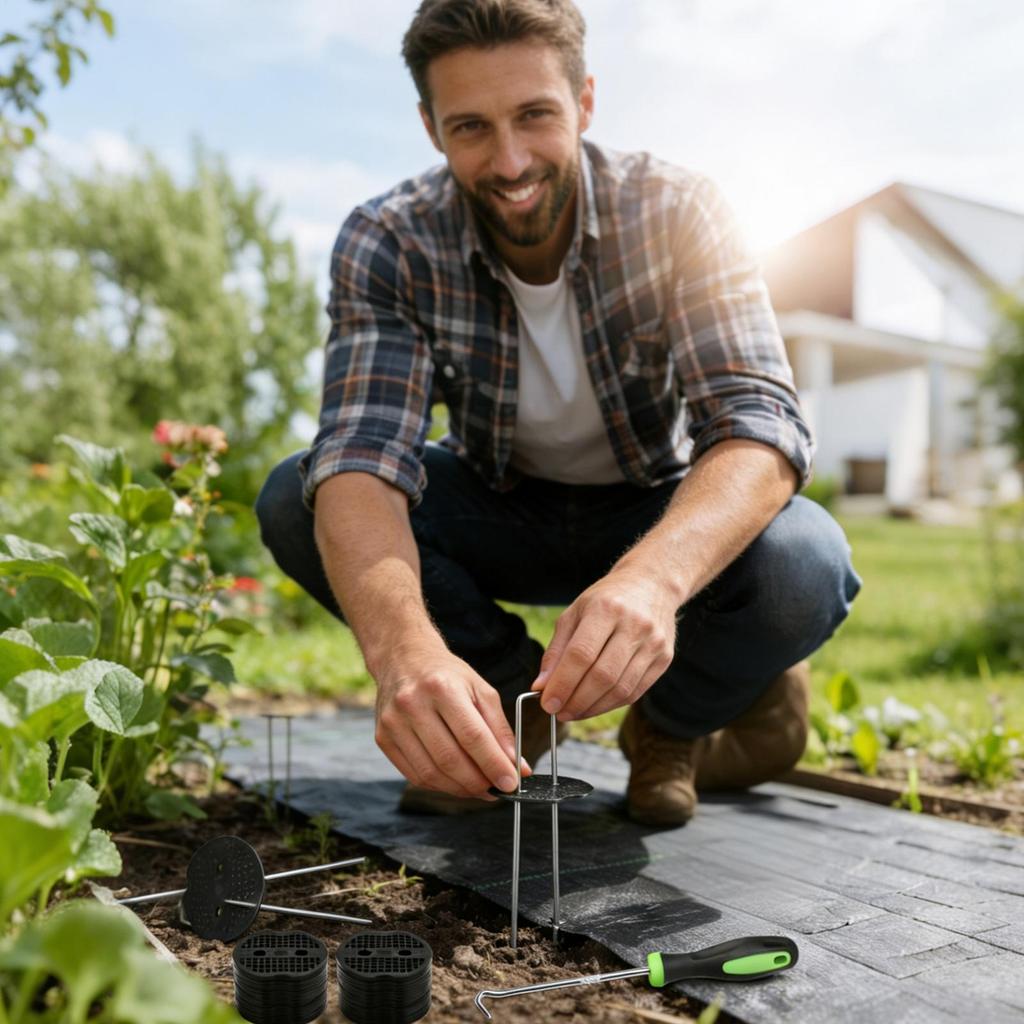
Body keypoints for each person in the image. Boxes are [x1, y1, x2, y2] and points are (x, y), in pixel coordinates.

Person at [256, 0, 861, 827]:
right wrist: (403, 656)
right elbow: (361, 453)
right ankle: (507, 706)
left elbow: (758, 421)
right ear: (432, 129)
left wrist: (651, 583)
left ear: (583, 102)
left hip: (651, 505)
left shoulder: (678, 211)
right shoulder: (388, 239)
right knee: (299, 496)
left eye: (534, 115)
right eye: (471, 127)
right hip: (495, 504)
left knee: (805, 561)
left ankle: (670, 725)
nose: (509, 161)